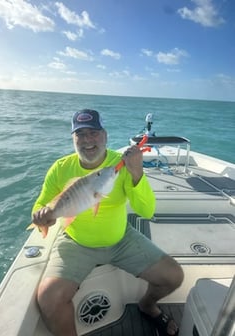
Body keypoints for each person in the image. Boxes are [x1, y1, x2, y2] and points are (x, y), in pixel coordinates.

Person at [32, 109, 184, 336]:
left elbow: (147, 211)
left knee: (173, 276)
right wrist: (40, 215)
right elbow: (41, 205)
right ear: (73, 139)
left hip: (121, 239)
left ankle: (147, 305)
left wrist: (137, 174)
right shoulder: (61, 168)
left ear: (105, 135)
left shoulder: (120, 164)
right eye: (80, 134)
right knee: (48, 298)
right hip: (76, 242)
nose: (87, 140)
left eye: (93, 133)